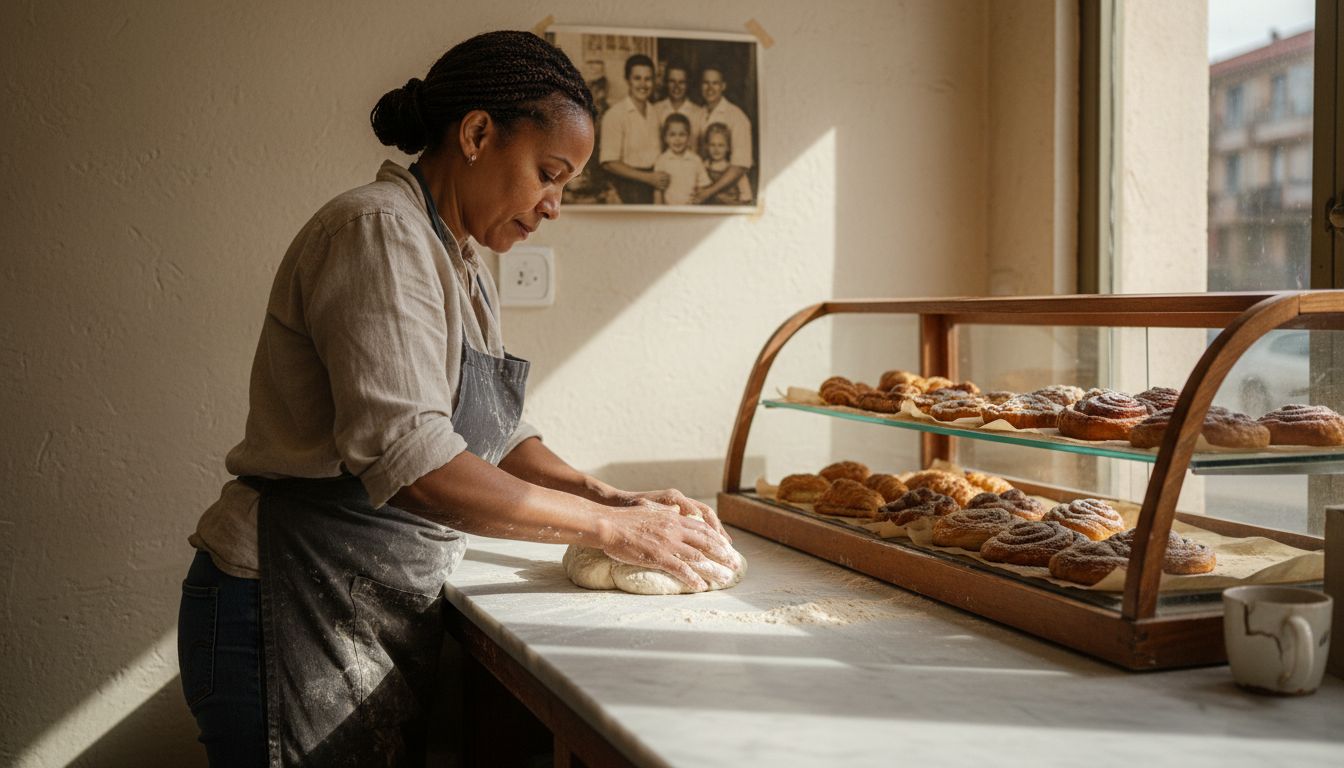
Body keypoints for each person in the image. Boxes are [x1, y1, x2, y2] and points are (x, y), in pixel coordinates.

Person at [176, 30, 738, 767]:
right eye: (549, 172)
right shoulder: (377, 232)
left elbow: (495, 435)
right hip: (280, 600)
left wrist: (610, 495)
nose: (554, 207)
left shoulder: (460, 258)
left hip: (355, 597)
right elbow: (419, 464)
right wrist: (613, 532)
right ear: (477, 133)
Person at [598, 53, 666, 203]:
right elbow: (609, 163)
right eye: (637, 78)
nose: (643, 84)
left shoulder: (655, 113)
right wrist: (648, 178)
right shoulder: (615, 115)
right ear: (627, 80)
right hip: (627, 188)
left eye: (648, 79)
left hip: (654, 187)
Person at [690, 65, 755, 205]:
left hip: (730, 195)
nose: (710, 88)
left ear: (723, 86)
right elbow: (694, 157)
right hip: (704, 191)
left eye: (715, 83)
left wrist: (709, 192)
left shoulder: (737, 117)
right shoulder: (698, 114)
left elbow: (740, 165)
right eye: (706, 83)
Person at [653, 113, 710, 205]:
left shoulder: (695, 160)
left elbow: (702, 186)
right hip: (669, 212)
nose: (677, 139)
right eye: (672, 135)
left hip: (691, 211)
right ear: (665, 138)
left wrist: (698, 199)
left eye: (682, 134)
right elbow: (658, 191)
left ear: (689, 137)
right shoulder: (662, 160)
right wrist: (658, 213)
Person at [652, 61, 706, 152]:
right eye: (672, 81)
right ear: (666, 83)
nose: (676, 86)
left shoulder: (699, 113)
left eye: (681, 82)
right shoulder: (655, 110)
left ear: (688, 84)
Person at [701, 121, 753, 205]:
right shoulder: (703, 166)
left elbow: (746, 196)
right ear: (707, 146)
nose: (716, 149)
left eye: (721, 145)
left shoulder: (734, 170)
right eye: (712, 145)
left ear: (728, 147)